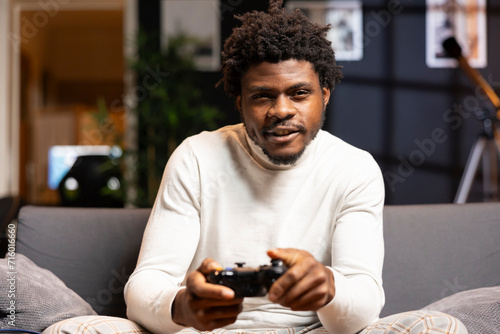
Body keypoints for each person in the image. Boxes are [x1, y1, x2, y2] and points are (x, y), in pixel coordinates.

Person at [43, 1, 467, 333]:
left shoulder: (354, 169)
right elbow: (145, 287)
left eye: (299, 93)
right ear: (240, 101)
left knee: (441, 327)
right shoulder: (196, 156)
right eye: (263, 96)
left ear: (325, 95)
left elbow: (359, 310)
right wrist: (185, 307)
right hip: (204, 333)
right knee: (74, 329)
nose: (281, 111)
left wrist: (329, 288)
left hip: (313, 332)